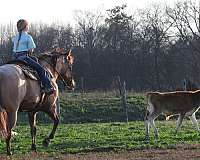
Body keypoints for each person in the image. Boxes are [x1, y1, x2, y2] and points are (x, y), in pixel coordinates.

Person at [12, 19, 55, 95]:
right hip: (24, 57)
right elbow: (31, 50)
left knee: (34, 60)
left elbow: (15, 50)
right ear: (25, 27)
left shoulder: (15, 37)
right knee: (41, 69)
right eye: (27, 25)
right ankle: (48, 87)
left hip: (15, 58)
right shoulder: (28, 37)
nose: (28, 27)